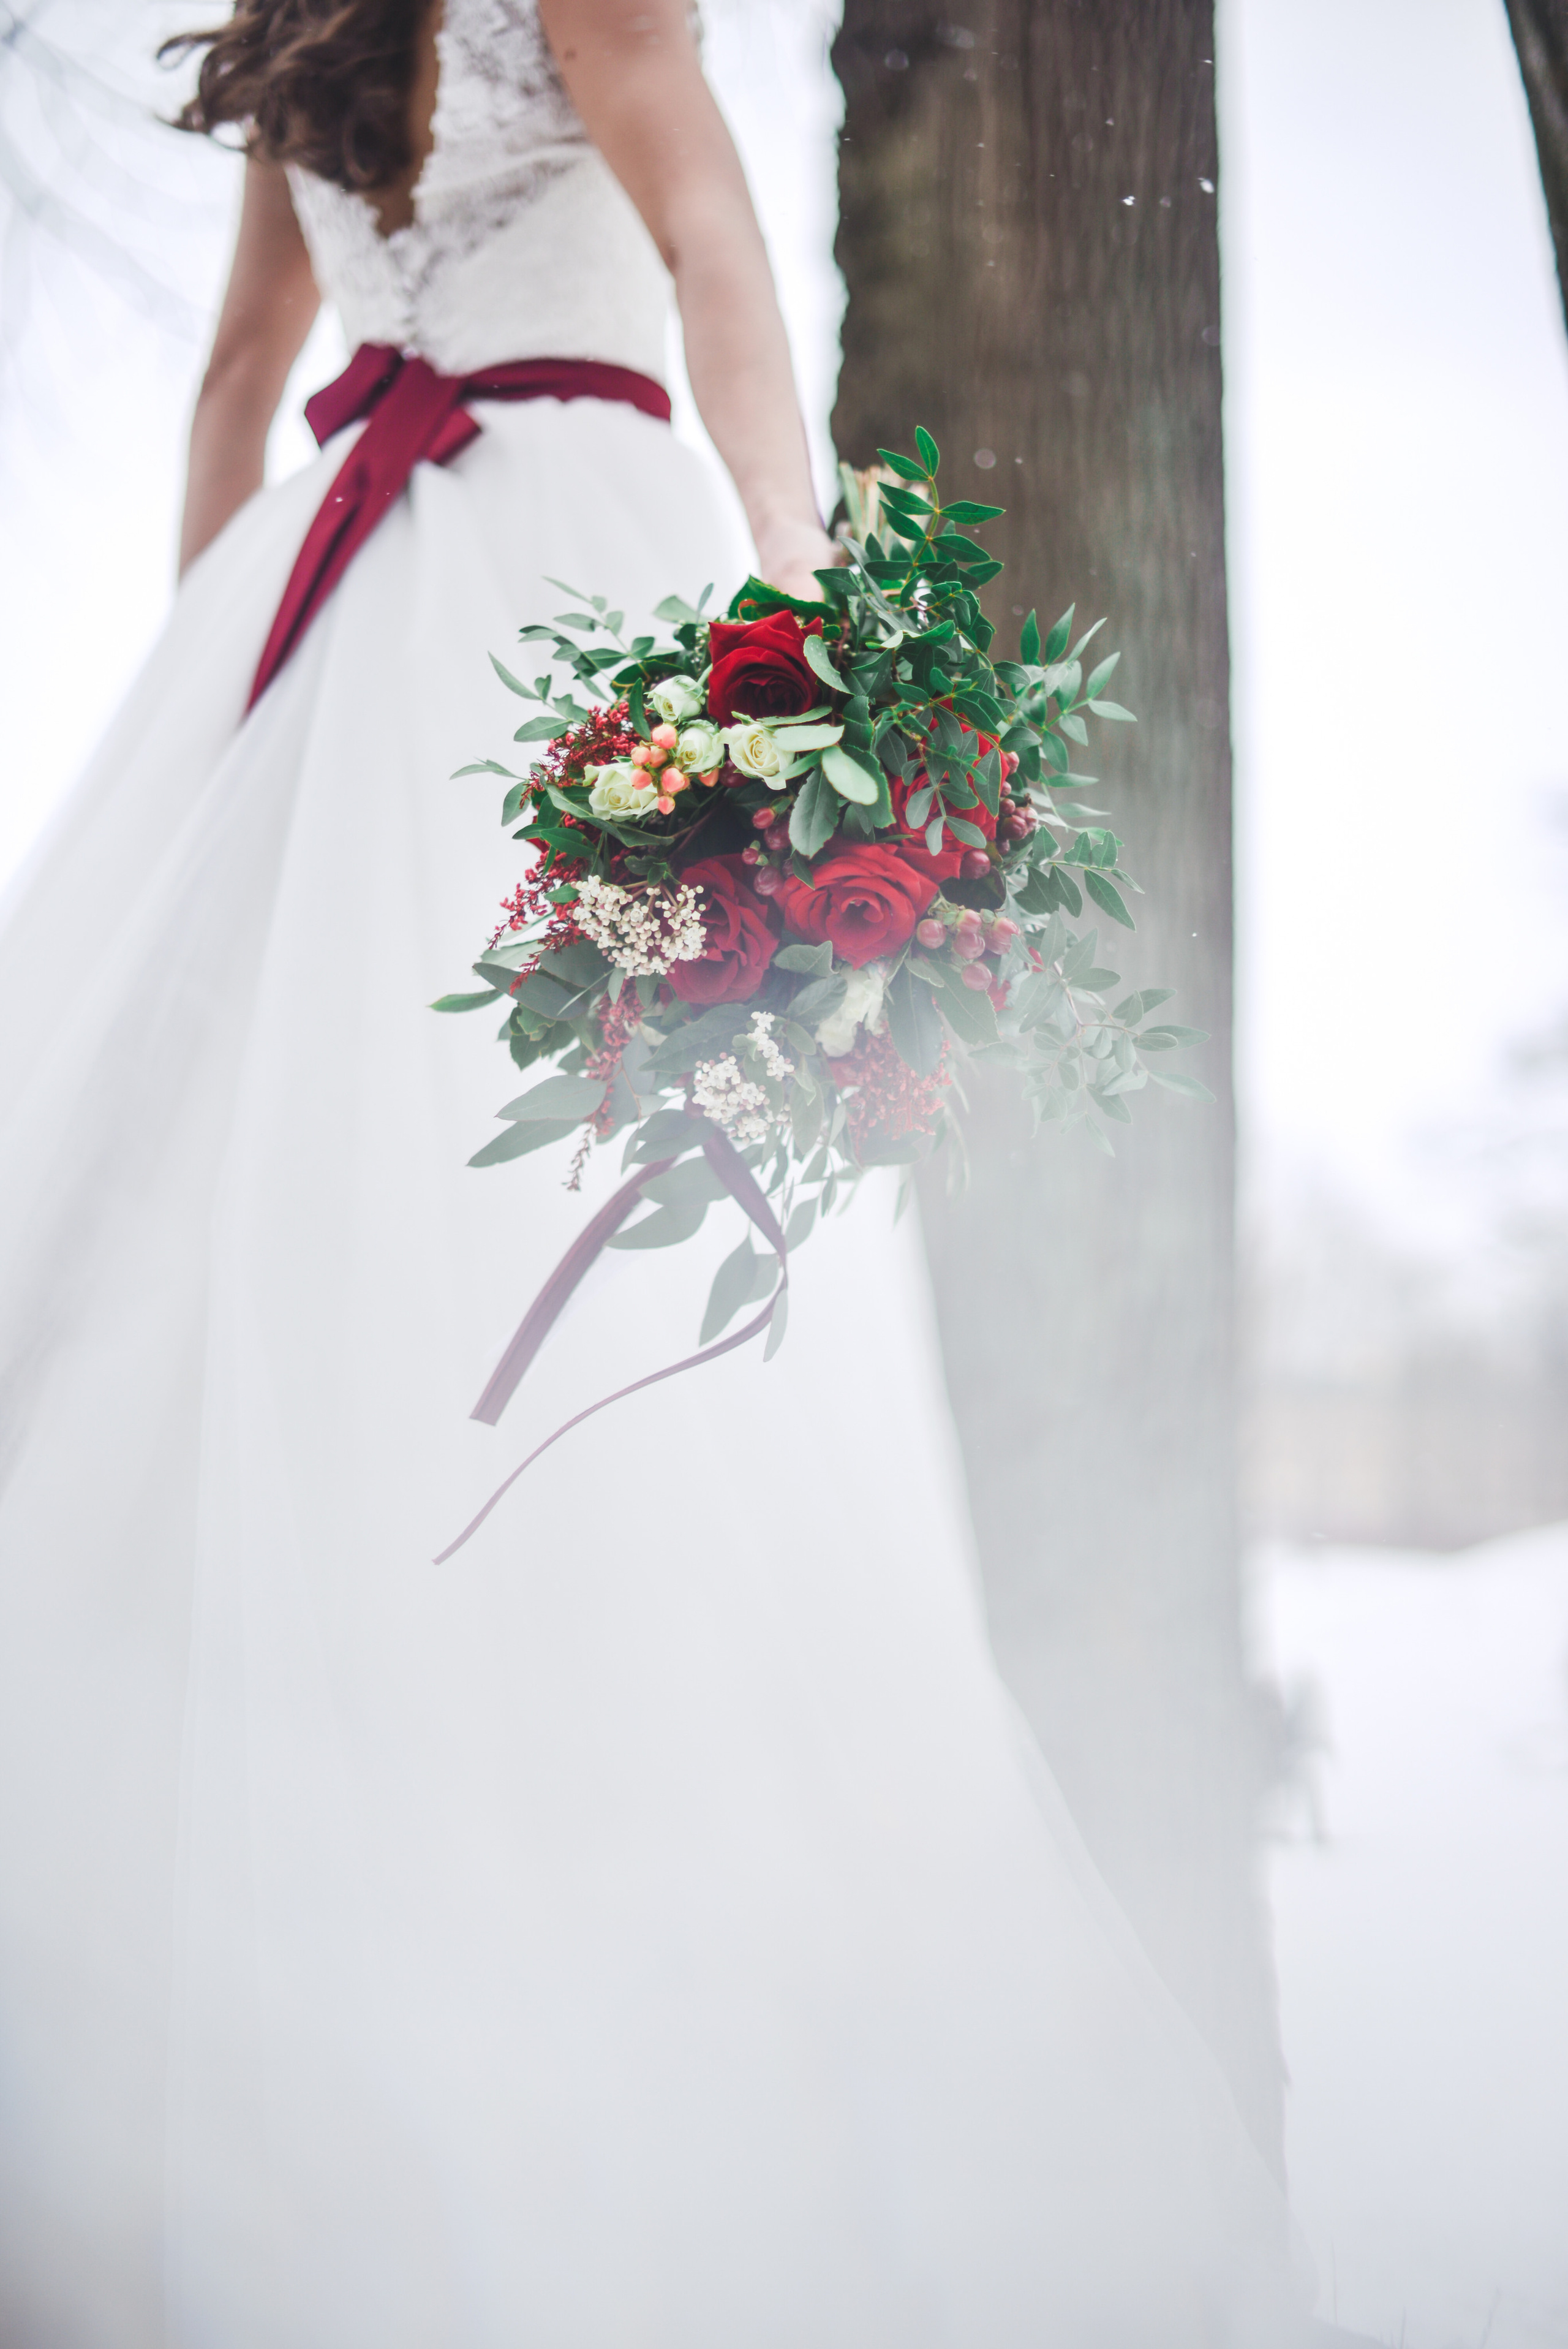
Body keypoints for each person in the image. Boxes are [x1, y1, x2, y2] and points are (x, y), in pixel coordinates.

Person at [0, 2, 1313, 2340]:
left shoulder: (312, 26)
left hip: (322, 587)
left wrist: (225, 728)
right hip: (551, 581)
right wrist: (793, 593)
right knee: (570, 1264)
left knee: (243, 1245)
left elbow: (234, 382)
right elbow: (711, 240)